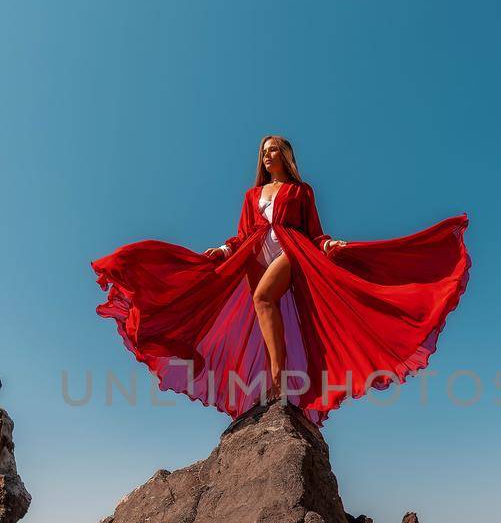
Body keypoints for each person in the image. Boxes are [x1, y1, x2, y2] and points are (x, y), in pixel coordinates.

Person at [92, 135, 469, 426]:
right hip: (255, 254)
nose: (267, 156)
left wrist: (329, 244)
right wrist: (224, 251)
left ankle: (277, 379)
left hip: (293, 252)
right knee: (253, 311)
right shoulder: (252, 194)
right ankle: (276, 384)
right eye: (264, 152)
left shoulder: (302, 191)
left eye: (273, 150)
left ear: (286, 156)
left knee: (262, 298)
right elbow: (242, 234)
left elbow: (315, 232)